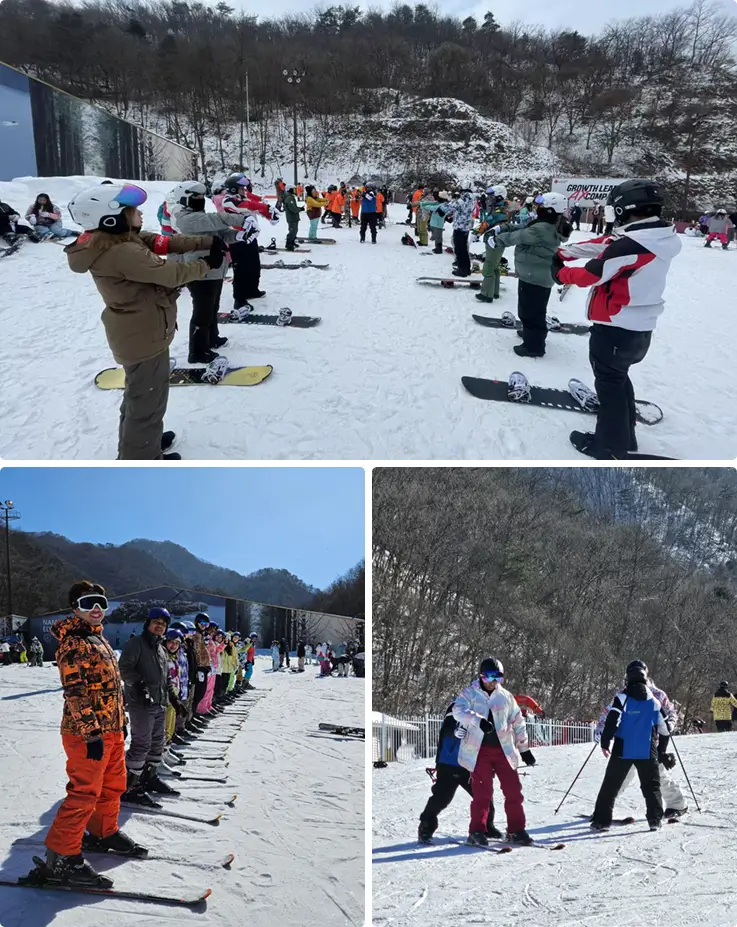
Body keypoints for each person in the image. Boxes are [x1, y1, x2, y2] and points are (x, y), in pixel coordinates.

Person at [66, 183, 223, 460]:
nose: (140, 213)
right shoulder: (121, 252)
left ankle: (142, 442)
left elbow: (162, 242)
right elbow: (172, 274)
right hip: (143, 335)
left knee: (141, 398)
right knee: (146, 403)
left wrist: (206, 242)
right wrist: (208, 264)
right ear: (111, 218)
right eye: (133, 210)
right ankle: (142, 458)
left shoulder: (117, 239)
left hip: (140, 331)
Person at [552, 178, 681, 458]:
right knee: (618, 380)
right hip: (638, 329)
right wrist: (565, 252)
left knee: (609, 386)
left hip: (616, 327)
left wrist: (561, 273)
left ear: (623, 210)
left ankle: (609, 445)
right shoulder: (654, 237)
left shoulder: (631, 246)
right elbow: (605, 244)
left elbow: (593, 273)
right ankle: (625, 437)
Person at [37, 581, 141, 889]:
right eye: (88, 603)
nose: (96, 608)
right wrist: (91, 733)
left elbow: (110, 688)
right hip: (87, 734)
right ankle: (61, 857)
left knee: (113, 785)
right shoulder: (73, 642)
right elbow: (75, 692)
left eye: (101, 603)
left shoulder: (98, 639)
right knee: (84, 793)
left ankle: (102, 831)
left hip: (111, 729)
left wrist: (120, 720)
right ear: (75, 608)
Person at [452, 657, 535, 846]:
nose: (493, 681)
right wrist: (477, 720)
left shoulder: (506, 696)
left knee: (513, 791)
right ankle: (476, 831)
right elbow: (457, 711)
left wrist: (524, 749)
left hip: (504, 750)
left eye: (498, 677)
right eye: (489, 676)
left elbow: (518, 722)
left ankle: (516, 830)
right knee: (483, 793)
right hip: (479, 750)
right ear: (481, 676)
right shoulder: (470, 693)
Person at [592, 665, 687, 817]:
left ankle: (677, 805)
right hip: (627, 744)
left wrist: (669, 725)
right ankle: (603, 811)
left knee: (659, 777)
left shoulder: (657, 694)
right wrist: (600, 730)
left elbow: (670, 713)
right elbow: (609, 714)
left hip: (651, 745)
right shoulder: (623, 694)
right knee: (620, 778)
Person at [170, 180, 243, 364]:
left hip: (215, 270)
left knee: (212, 307)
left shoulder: (201, 216)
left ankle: (212, 338)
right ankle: (197, 351)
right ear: (185, 199)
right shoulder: (185, 219)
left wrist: (239, 235)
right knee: (202, 311)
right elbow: (216, 220)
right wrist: (241, 219)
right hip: (199, 272)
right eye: (196, 196)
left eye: (203, 196)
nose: (201, 199)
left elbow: (222, 232)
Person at [118, 607, 186, 804]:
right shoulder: (136, 644)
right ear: (148, 623)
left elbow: (166, 679)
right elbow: (124, 668)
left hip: (159, 703)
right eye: (156, 622)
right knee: (141, 744)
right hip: (141, 704)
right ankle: (130, 787)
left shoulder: (161, 650)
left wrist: (175, 700)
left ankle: (149, 778)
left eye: (163, 624)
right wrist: (139, 684)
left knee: (158, 743)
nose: (159, 626)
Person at [494, 191, 570, 356]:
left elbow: (520, 236)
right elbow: (523, 228)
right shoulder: (548, 224)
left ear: (549, 209)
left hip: (534, 276)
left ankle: (534, 346)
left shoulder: (542, 228)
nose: (537, 207)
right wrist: (505, 227)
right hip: (536, 274)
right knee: (534, 309)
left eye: (541, 205)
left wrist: (497, 239)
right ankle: (531, 334)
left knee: (530, 312)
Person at [418, 699, 498, 843]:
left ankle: (487, 826)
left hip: (471, 764)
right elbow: (447, 727)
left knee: (484, 796)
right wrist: (454, 732)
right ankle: (426, 827)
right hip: (448, 762)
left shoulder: (485, 709)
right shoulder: (458, 705)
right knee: (441, 798)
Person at [219, 172, 277, 304]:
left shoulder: (242, 197)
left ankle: (252, 290)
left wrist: (269, 214)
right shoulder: (228, 201)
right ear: (233, 189)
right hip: (237, 239)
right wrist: (263, 206)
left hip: (251, 237)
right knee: (241, 269)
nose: (244, 190)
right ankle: (239, 297)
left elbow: (254, 205)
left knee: (254, 266)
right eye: (241, 188)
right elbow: (247, 205)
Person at [475, 185, 510, 304]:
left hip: (495, 241)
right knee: (494, 266)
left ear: (498, 197)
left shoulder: (499, 211)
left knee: (489, 266)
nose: (489, 200)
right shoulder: (499, 208)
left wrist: (476, 233)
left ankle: (486, 294)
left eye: (492, 197)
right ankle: (494, 292)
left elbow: (487, 222)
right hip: (496, 241)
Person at [448, 188, 475, 277]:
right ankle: (466, 268)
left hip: (460, 226)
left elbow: (451, 207)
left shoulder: (463, 198)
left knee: (459, 248)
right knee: (464, 248)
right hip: (466, 226)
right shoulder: (472, 198)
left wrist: (452, 200)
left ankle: (462, 270)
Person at [191, 613, 213, 718]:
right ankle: (191, 716)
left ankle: (193, 714)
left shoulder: (202, 635)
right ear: (197, 623)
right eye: (202, 623)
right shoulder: (196, 635)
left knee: (201, 692)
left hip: (204, 667)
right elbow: (196, 652)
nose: (204, 626)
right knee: (198, 693)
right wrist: (199, 666)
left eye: (206, 624)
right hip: (199, 667)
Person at [283, 184, 304, 252]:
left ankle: (292, 242)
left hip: (293, 217)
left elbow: (293, 207)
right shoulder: (289, 198)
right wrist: (300, 209)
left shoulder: (290, 197)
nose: (295, 191)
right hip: (291, 217)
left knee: (295, 230)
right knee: (292, 231)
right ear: (290, 189)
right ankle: (288, 244)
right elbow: (293, 209)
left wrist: (299, 208)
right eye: (294, 189)